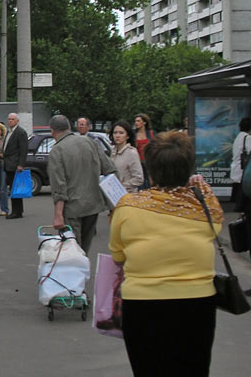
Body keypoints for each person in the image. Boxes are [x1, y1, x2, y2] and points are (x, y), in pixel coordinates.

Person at [109, 131, 223, 376]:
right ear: (189, 171)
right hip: (197, 302)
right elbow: (216, 223)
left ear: (150, 171)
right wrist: (199, 186)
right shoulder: (203, 208)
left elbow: (118, 256)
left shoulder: (127, 207)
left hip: (141, 303)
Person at [48, 114, 115, 254]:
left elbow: (59, 186)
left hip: (72, 208)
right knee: (85, 247)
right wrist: (114, 202)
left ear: (52, 131)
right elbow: (110, 169)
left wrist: (58, 214)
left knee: (73, 250)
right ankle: (84, 270)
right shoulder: (90, 142)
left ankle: (77, 273)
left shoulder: (57, 150)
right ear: (69, 127)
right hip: (93, 205)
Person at [2, 113, 28, 219]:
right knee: (13, 189)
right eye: (9, 119)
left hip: (15, 165)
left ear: (17, 121)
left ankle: (16, 212)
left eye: (13, 119)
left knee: (15, 189)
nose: (10, 121)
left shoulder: (20, 132)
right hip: (8, 164)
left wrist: (21, 164)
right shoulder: (9, 131)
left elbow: (23, 150)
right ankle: (18, 210)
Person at [110, 120, 144, 193]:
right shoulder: (113, 151)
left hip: (127, 195)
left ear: (127, 136)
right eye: (115, 133)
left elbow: (139, 178)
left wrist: (121, 186)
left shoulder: (131, 153)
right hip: (113, 194)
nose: (117, 135)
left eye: (121, 133)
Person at [230, 117, 251, 211]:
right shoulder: (247, 138)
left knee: (238, 190)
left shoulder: (238, 137)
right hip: (243, 169)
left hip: (236, 167)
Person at [134, 113, 154, 189]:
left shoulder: (151, 133)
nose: (136, 123)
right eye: (135, 121)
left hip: (149, 161)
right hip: (137, 162)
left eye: (138, 121)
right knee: (140, 182)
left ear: (144, 122)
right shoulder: (134, 134)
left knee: (150, 182)